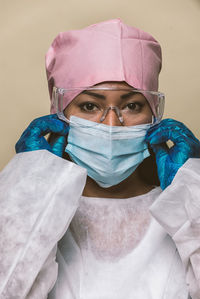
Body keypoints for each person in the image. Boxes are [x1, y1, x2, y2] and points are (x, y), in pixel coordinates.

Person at [0, 19, 199, 299]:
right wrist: (31, 188)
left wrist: (192, 192)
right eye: (90, 106)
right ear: (59, 114)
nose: (111, 124)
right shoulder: (28, 213)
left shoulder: (185, 215)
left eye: (132, 105)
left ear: (154, 115)